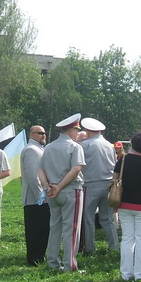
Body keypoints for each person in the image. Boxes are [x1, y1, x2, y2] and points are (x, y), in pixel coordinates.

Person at [38, 113, 86, 271]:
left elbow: (41, 169)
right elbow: (76, 168)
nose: (78, 133)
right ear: (71, 130)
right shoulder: (75, 147)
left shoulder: (49, 147)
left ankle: (52, 262)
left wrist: (47, 185)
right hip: (70, 190)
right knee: (71, 228)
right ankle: (69, 264)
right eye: (76, 130)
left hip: (52, 191)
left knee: (55, 227)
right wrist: (59, 186)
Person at [113, 131, 141, 281]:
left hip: (124, 203)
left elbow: (114, 180)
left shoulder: (123, 160)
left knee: (127, 239)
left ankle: (126, 273)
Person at [80, 117, 119, 255]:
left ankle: (89, 248)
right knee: (107, 218)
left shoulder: (84, 145)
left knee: (88, 218)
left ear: (88, 131)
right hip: (108, 184)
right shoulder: (109, 145)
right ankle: (114, 246)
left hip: (90, 184)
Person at [21, 125, 50, 266]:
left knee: (42, 230)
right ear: (32, 134)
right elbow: (33, 177)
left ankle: (39, 256)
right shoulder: (31, 150)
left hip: (39, 198)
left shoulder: (39, 149)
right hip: (35, 199)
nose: (43, 135)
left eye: (44, 133)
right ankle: (34, 258)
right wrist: (41, 198)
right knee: (35, 231)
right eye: (40, 133)